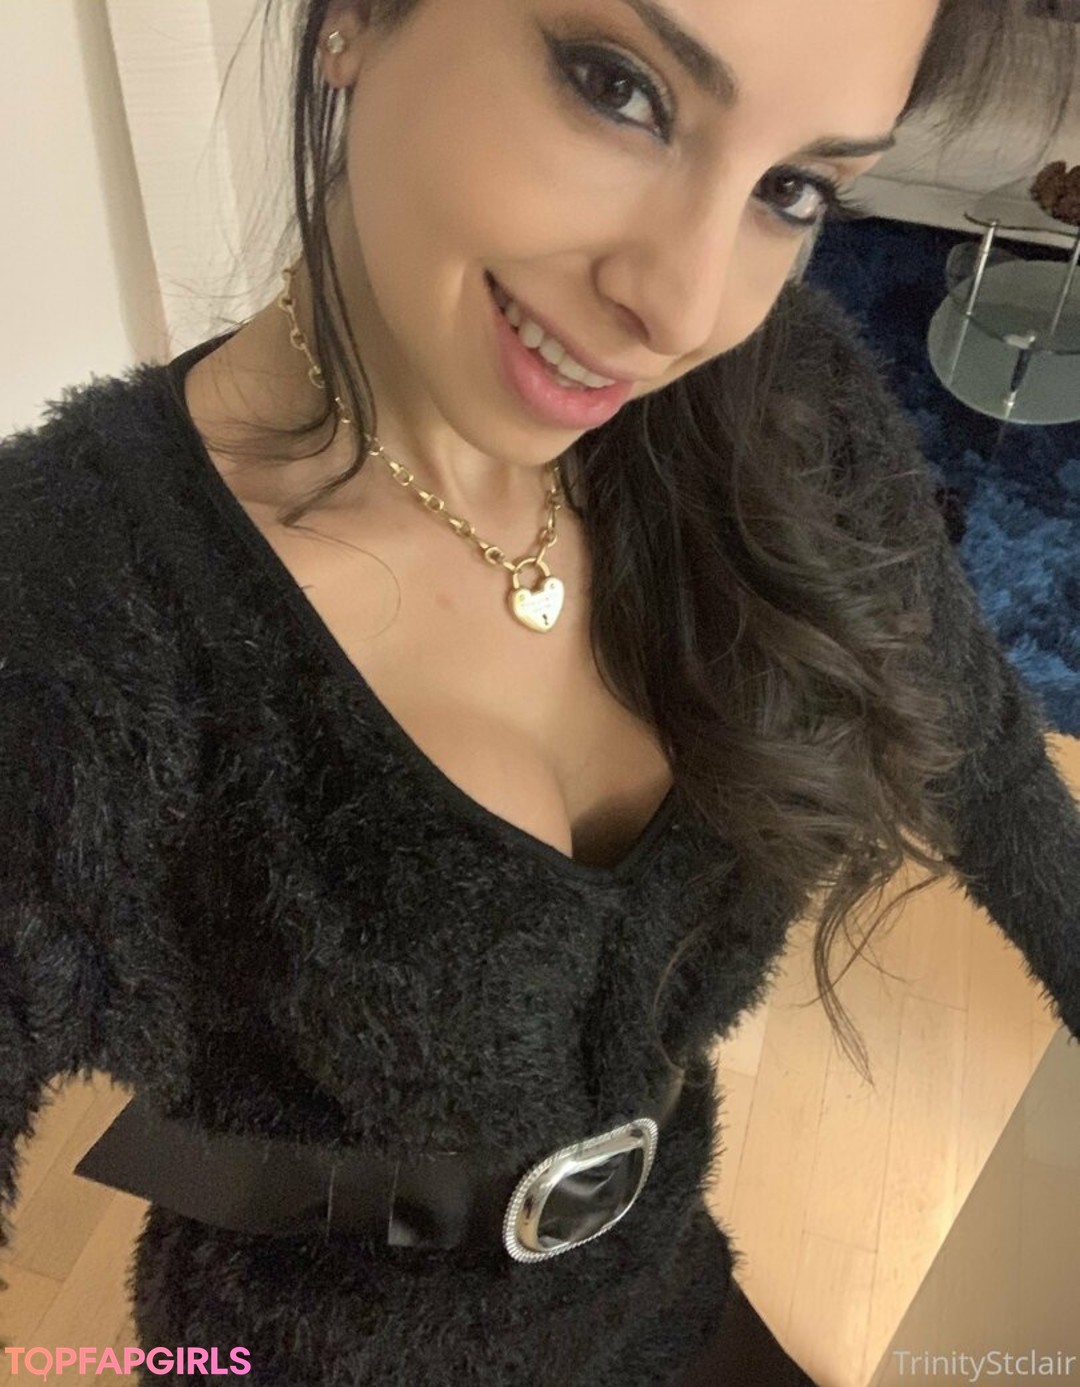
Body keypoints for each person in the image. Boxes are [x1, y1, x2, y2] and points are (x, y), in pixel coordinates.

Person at [3, 1, 1078, 1383]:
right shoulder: (65, 615)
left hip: (670, 1296)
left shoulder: (789, 403)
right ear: (354, 20)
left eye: (792, 189)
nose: (684, 307)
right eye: (618, 87)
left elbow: (985, 765)